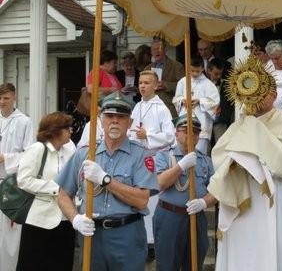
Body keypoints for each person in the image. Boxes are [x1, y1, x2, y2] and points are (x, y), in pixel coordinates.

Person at [209, 55, 282, 271]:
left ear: (275, 94)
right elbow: (219, 155)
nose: (257, 98)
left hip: (273, 198)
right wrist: (235, 162)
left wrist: (256, 150)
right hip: (242, 198)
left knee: (272, 250)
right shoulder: (239, 125)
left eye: (263, 92)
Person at [56, 92, 159, 270]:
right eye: (109, 116)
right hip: (91, 235)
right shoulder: (84, 153)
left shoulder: (141, 155)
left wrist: (105, 180)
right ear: (101, 119)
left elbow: (142, 200)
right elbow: (62, 193)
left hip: (126, 234)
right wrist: (75, 219)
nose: (114, 121)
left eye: (121, 117)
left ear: (130, 122)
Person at [153, 114, 216, 271]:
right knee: (167, 265)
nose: (191, 135)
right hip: (169, 216)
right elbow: (160, 183)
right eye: (186, 130)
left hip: (196, 216)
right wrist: (181, 165)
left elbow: (216, 191)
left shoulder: (205, 161)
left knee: (194, 264)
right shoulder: (164, 156)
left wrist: (204, 202)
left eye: (195, 132)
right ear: (176, 133)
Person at [16, 112, 76, 271]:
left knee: (62, 265)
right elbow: (23, 180)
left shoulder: (70, 151)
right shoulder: (37, 149)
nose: (71, 131)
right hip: (39, 222)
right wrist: (55, 188)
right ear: (55, 131)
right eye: (67, 128)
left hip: (66, 221)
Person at [129, 70, 176, 258]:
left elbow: (170, 136)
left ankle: (152, 243)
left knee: (152, 200)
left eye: (147, 83)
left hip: (154, 158)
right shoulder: (137, 106)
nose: (142, 86)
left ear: (156, 85)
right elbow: (131, 130)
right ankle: (141, 240)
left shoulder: (161, 108)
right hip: (137, 158)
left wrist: (147, 135)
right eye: (140, 82)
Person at [0, 83, 34, 271]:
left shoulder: (24, 121)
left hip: (10, 185)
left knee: (9, 239)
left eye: (6, 98)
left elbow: (31, 156)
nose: (2, 102)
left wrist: (6, 158)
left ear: (14, 97)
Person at [173, 55, 220, 155]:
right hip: (185, 119)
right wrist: (182, 101)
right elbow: (176, 99)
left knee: (199, 154)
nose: (194, 73)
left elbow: (214, 103)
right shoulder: (182, 82)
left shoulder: (208, 84)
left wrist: (200, 101)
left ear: (203, 68)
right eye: (192, 70)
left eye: (197, 71)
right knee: (183, 152)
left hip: (201, 123)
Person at [144, 37, 185, 118]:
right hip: (151, 109)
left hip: (169, 108)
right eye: (154, 49)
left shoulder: (176, 66)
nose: (157, 51)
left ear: (165, 50)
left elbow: (184, 87)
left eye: (159, 48)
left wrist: (165, 85)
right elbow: (142, 89)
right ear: (151, 52)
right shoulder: (147, 69)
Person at [206, 58, 234, 146]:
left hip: (221, 120)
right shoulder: (202, 84)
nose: (218, 76)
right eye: (216, 74)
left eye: (220, 74)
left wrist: (223, 111)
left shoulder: (226, 84)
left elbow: (230, 103)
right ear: (209, 71)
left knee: (221, 145)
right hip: (205, 120)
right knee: (204, 146)